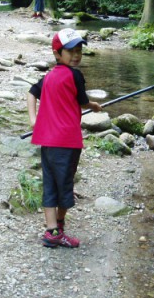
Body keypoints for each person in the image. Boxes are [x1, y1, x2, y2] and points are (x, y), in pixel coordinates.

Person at [27, 28, 102, 248]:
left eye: (79, 50)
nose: (77, 55)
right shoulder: (75, 75)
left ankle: (52, 231)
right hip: (67, 142)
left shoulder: (48, 76)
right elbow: (83, 101)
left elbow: (32, 92)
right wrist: (94, 106)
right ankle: (58, 228)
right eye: (71, 51)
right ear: (57, 54)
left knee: (50, 184)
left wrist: (34, 120)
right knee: (65, 185)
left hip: (48, 141)